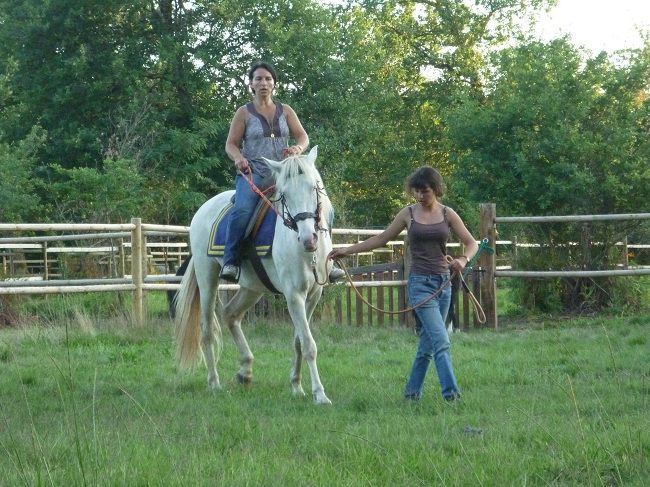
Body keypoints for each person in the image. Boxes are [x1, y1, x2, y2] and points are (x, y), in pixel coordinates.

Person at [328, 167, 478, 402]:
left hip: (444, 285)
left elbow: (471, 243)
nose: (419, 196)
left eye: (424, 191)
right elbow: (381, 238)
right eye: (416, 191)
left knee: (427, 346)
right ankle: (452, 397)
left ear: (436, 190)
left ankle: (411, 394)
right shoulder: (408, 214)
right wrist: (347, 251)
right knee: (441, 341)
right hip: (420, 285)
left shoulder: (448, 214)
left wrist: (463, 259)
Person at [222, 61, 345, 283]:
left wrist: (298, 148)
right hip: (254, 174)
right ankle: (231, 261)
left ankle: (329, 261)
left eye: (268, 79)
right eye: (258, 79)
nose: (263, 83)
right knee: (241, 211)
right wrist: (238, 158)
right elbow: (230, 144)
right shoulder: (244, 112)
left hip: (286, 176)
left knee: (324, 207)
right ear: (251, 84)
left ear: (274, 83)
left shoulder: (286, 110)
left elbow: (303, 137)